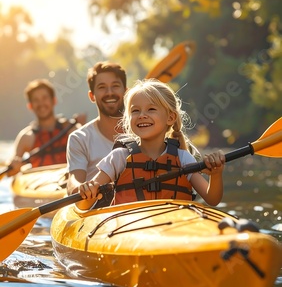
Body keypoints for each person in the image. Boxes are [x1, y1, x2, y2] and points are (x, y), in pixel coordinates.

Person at [78, 78, 225, 209]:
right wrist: (87, 192)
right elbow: (83, 206)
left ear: (170, 117)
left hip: (173, 228)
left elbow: (212, 199)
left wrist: (216, 175)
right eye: (135, 111)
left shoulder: (183, 158)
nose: (142, 115)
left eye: (151, 109)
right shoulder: (118, 157)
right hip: (127, 231)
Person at [66, 61, 127, 195]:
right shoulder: (79, 138)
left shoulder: (144, 130)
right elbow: (73, 182)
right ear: (92, 96)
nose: (109, 93)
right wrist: (81, 188)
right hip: (97, 209)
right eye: (102, 87)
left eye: (115, 86)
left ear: (126, 92)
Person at [7, 79, 84, 176]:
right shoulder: (26, 137)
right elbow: (11, 173)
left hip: (69, 179)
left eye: (45, 98)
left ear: (54, 101)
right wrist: (15, 166)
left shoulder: (72, 129)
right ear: (30, 106)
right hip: (40, 185)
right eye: (36, 100)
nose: (41, 104)